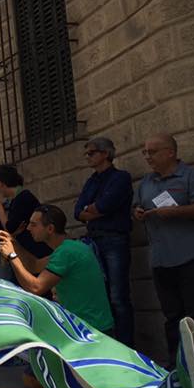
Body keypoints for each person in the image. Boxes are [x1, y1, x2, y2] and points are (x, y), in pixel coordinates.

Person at [134, 133, 194, 363]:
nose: (147, 157)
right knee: (173, 318)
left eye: (153, 152)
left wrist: (175, 212)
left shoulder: (192, 176)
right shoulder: (147, 183)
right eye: (145, 152)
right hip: (161, 260)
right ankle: (178, 368)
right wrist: (139, 213)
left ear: (170, 152)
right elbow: (137, 206)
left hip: (193, 257)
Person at [0, 205, 114, 334]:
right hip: (93, 329)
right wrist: (14, 244)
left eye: (34, 224)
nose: (28, 228)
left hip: (91, 331)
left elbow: (35, 288)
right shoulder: (72, 248)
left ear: (50, 228)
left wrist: (12, 256)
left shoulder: (66, 252)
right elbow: (34, 265)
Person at [73, 137, 134, 347]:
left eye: (91, 153)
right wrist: (94, 211)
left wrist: (93, 211)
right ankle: (107, 346)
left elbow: (106, 205)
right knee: (101, 296)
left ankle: (126, 346)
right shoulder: (91, 181)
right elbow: (77, 212)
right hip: (94, 242)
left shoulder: (120, 178)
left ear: (105, 154)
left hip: (114, 240)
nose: (88, 157)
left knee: (118, 297)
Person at [0, 165, 50, 282]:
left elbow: (10, 227)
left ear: (1, 183)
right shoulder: (19, 198)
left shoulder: (22, 198)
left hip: (33, 253)